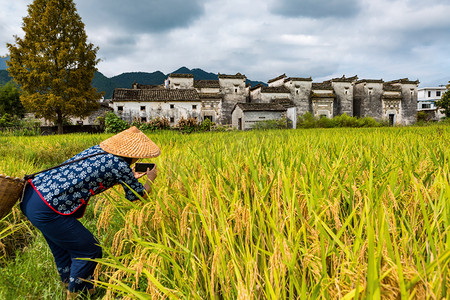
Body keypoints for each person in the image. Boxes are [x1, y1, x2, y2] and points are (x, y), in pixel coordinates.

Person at [20, 126, 160, 298]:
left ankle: (74, 287)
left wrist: (127, 177)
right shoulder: (120, 166)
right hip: (48, 209)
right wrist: (151, 179)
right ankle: (76, 294)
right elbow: (138, 196)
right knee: (89, 250)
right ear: (134, 153)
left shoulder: (98, 151)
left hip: (32, 196)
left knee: (64, 249)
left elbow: (95, 175)